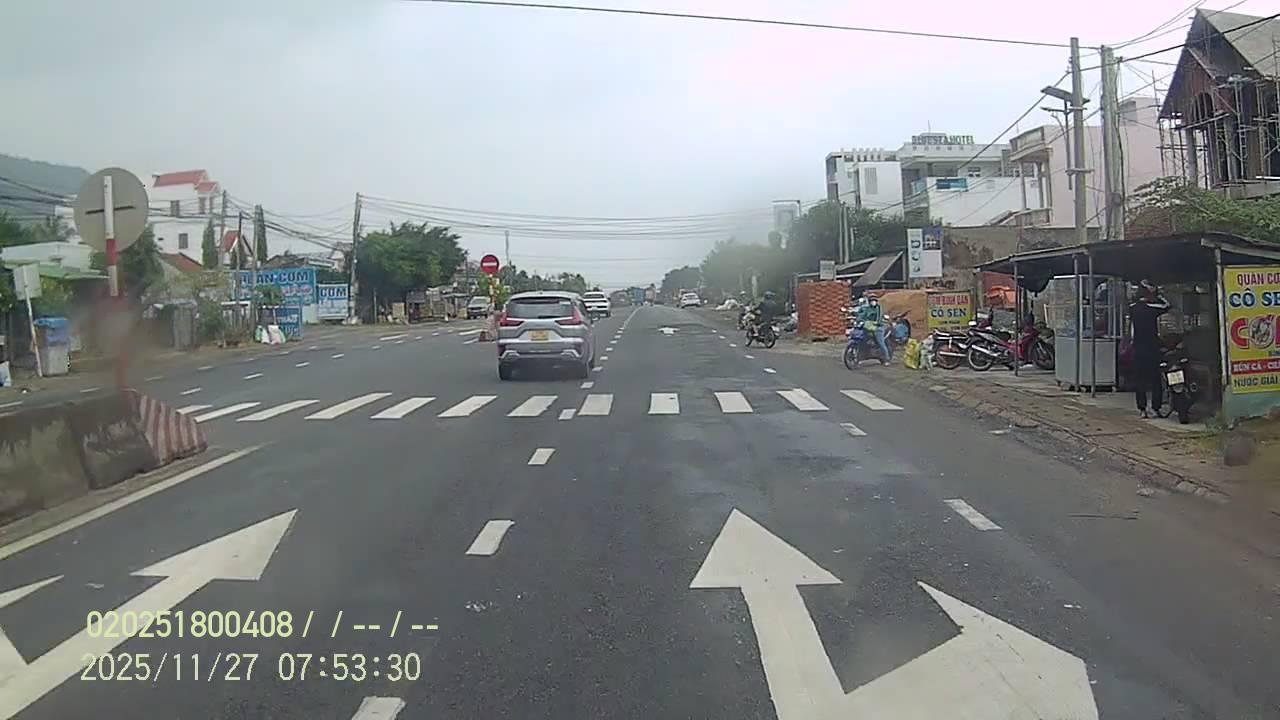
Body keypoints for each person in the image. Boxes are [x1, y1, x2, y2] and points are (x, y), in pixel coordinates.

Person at [1129, 280, 1170, 418]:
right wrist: (1158, 294)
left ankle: (1142, 409)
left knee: (1140, 380)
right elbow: (1167, 305)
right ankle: (1155, 408)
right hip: (1152, 348)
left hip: (1138, 348)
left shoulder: (1133, 308)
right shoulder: (1153, 308)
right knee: (1155, 380)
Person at [856, 294, 891, 364]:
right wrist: (859, 320)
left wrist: (877, 322)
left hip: (878, 327)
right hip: (868, 327)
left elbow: (879, 317)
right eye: (871, 301)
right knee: (862, 342)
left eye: (874, 301)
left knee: (881, 343)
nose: (873, 302)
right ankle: (859, 358)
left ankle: (887, 359)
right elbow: (862, 315)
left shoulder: (879, 308)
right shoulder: (867, 308)